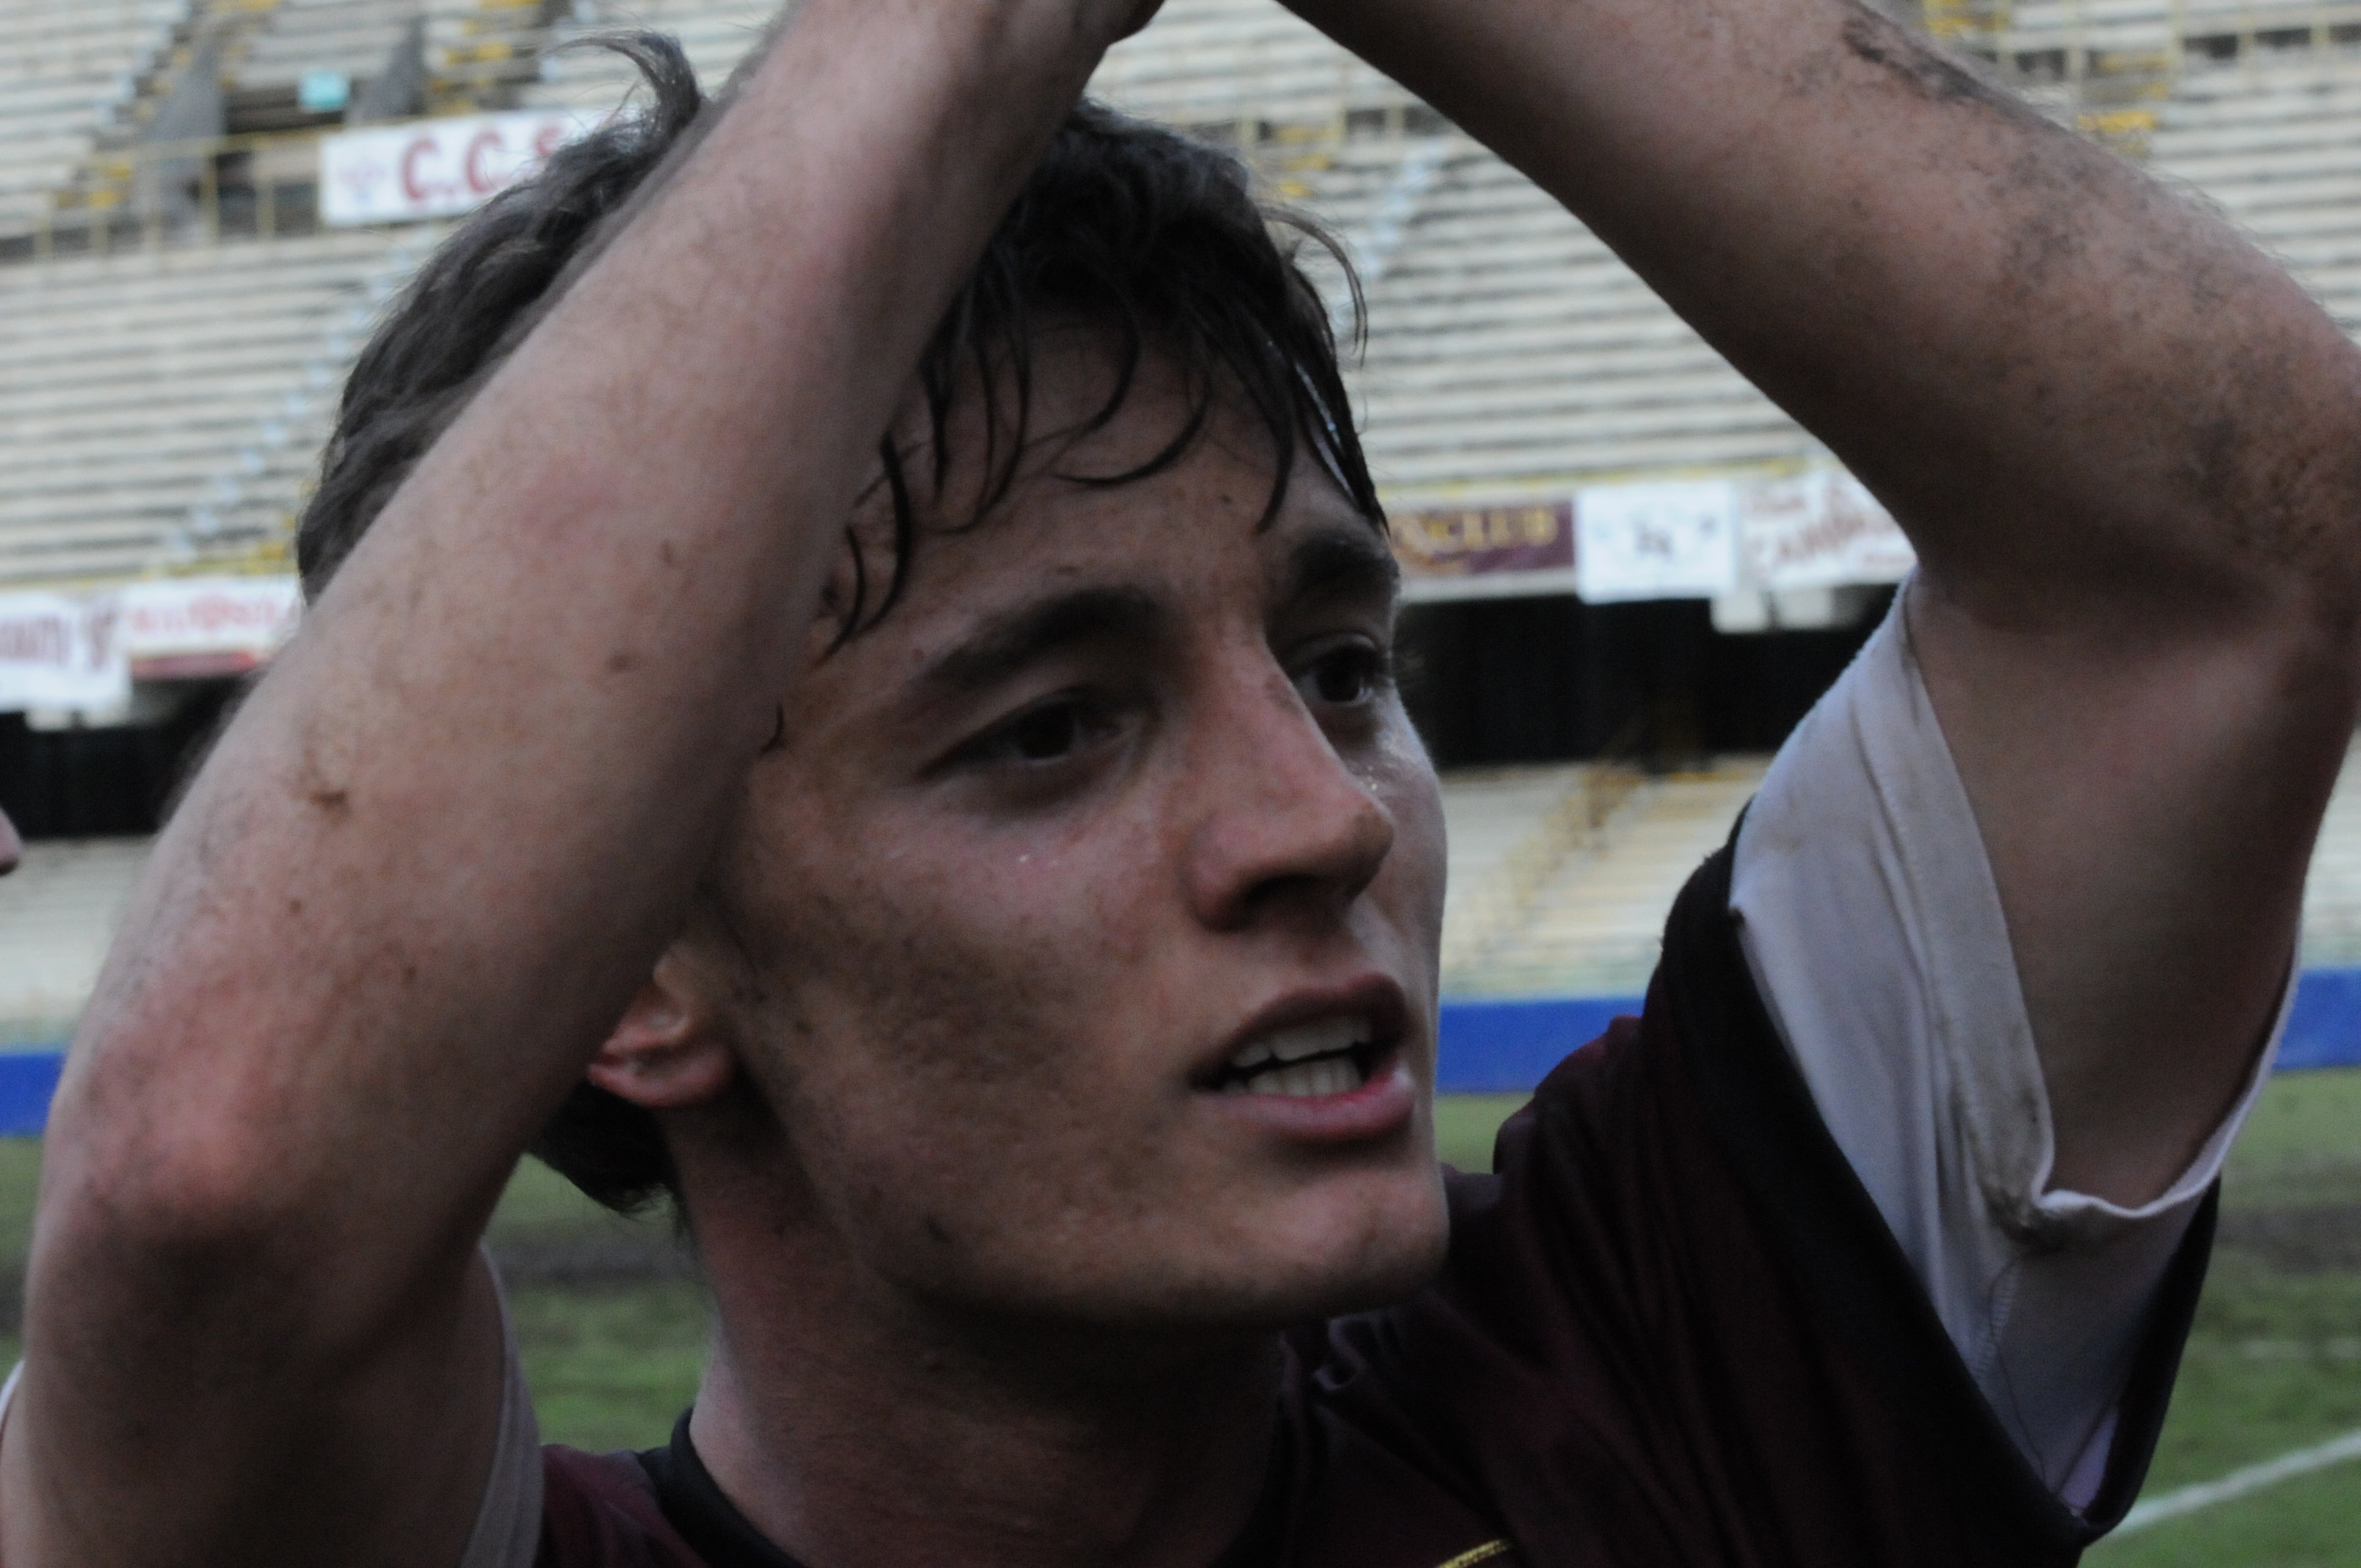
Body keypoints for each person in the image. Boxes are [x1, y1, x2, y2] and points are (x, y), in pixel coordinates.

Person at [4, 0, 2357, 1561]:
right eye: (1048, 730)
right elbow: (218, 1187)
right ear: (623, 970)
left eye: (1338, 668)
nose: (1319, 819)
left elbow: (2228, 550)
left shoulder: (1675, 1377)